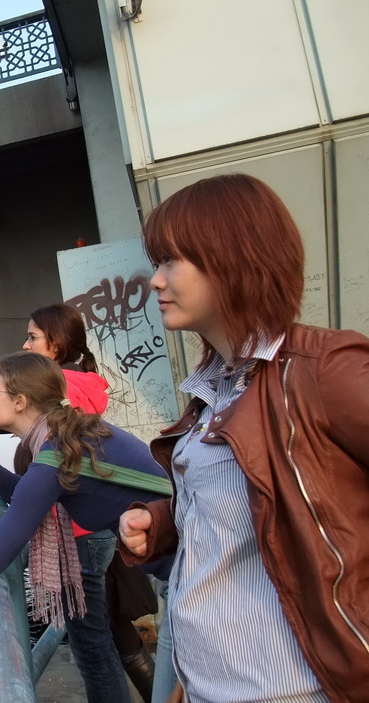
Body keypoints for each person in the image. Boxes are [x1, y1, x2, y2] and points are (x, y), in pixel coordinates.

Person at [117, 174, 369, 702]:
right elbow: (263, 505)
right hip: (214, 684)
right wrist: (164, 523)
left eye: (170, 261)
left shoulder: (323, 372)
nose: (155, 281)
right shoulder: (218, 389)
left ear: (232, 257)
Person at [0, 351, 170, 703]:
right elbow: (25, 495)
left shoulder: (52, 458)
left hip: (194, 581)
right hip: (189, 570)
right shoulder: (68, 439)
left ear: (20, 402)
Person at [24, 304, 159, 702]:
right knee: (105, 638)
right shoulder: (84, 389)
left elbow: (54, 467)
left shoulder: (58, 395)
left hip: (78, 533)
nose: (25, 343)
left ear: (56, 345)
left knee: (93, 650)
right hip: (96, 529)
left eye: (32, 337)